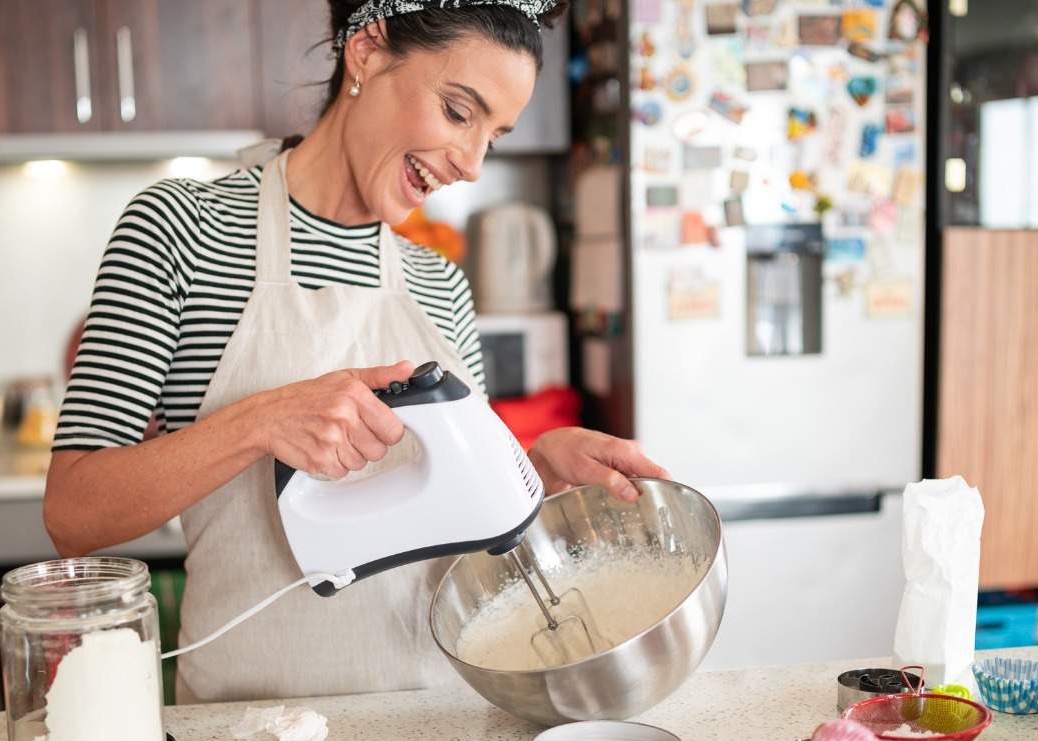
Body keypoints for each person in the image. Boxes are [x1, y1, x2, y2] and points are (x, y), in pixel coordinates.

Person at [44, 0, 667, 703]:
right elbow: (74, 514)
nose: (470, 164)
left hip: (437, 721)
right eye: (460, 112)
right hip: (248, 737)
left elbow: (448, 521)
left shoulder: (440, 284)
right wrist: (260, 422)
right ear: (366, 50)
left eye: (493, 136)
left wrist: (531, 474)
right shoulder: (184, 230)